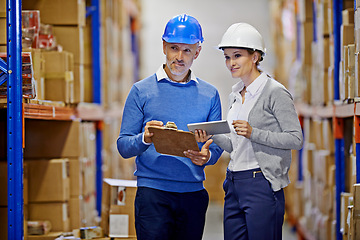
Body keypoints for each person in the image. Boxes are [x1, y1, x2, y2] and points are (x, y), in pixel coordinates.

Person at [116, 14, 223, 240]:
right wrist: (144, 139)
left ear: (197, 51)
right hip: (153, 195)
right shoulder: (140, 91)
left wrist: (207, 157)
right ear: (164, 46)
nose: (179, 56)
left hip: (192, 195)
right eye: (174, 48)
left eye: (187, 50)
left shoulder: (210, 95)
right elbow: (124, 146)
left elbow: (216, 147)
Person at [196, 23, 303, 240]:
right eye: (227, 57)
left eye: (237, 56)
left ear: (255, 56)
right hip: (234, 183)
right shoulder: (235, 95)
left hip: (262, 183)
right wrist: (212, 134)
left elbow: (295, 138)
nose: (231, 63)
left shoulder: (275, 92)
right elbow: (237, 145)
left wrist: (254, 132)